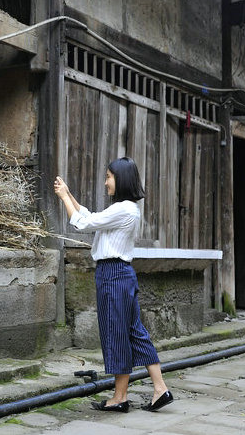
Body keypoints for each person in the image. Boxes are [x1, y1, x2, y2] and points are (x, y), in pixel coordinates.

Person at [53, 157, 173, 413]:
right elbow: (91, 216)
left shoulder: (123, 209)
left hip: (112, 274)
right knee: (134, 332)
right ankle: (160, 388)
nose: (106, 181)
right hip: (122, 274)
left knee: (116, 333)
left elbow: (84, 224)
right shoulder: (127, 209)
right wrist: (70, 195)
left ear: (121, 180)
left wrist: (64, 198)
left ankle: (120, 397)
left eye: (109, 176)